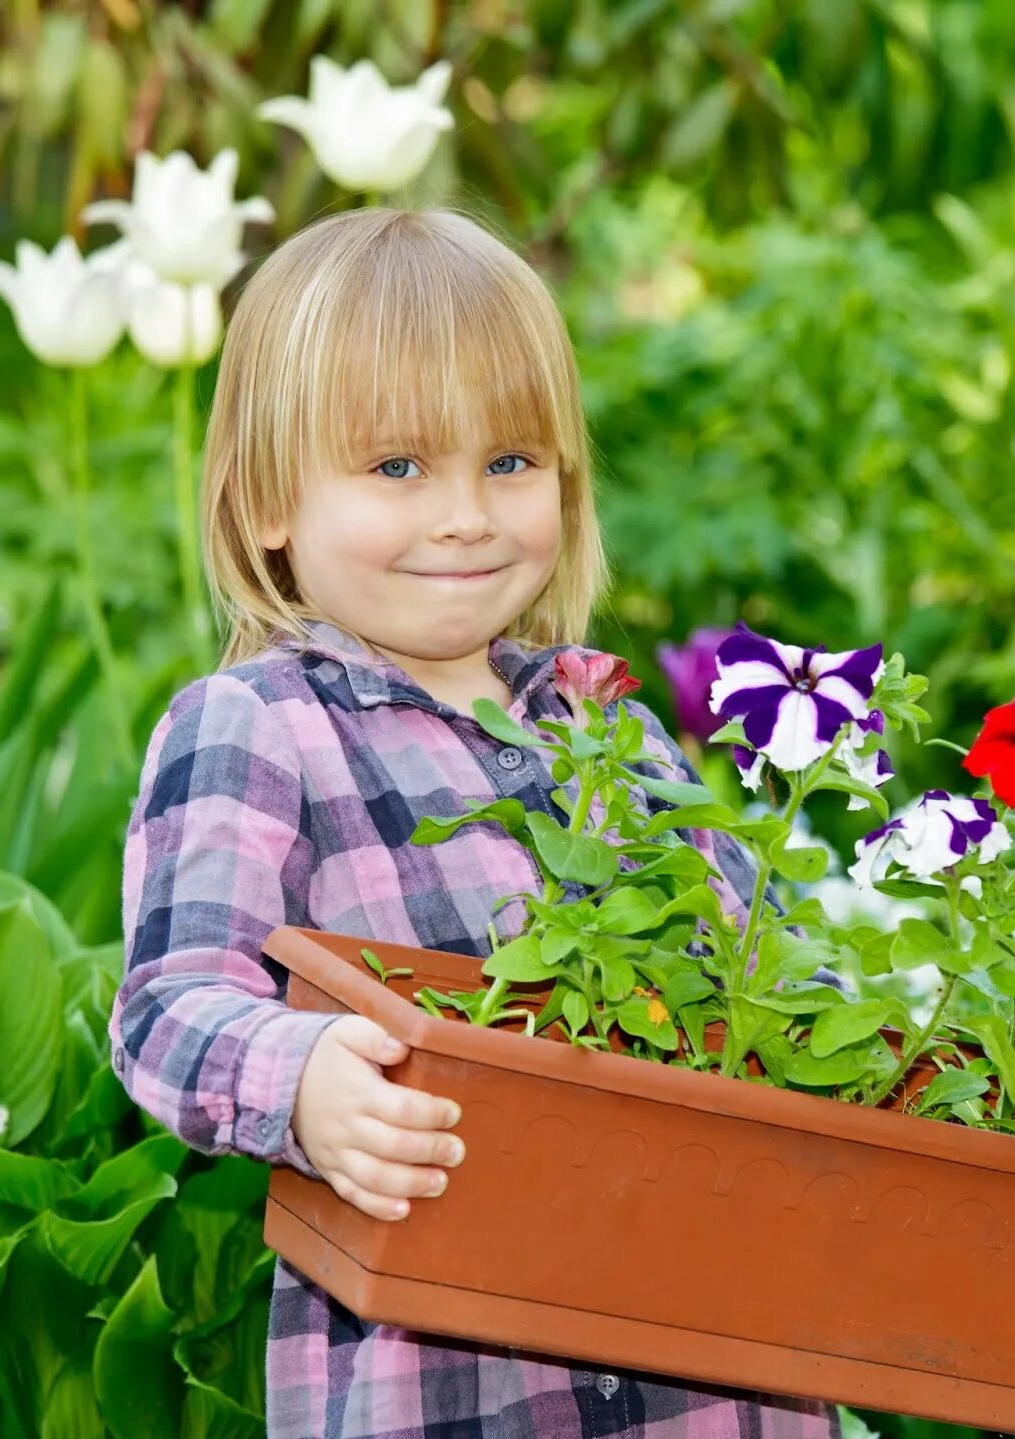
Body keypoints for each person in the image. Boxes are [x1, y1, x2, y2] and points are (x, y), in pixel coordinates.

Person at [110, 206, 842, 1439]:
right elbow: (166, 1007)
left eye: (510, 463)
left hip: (713, 1376)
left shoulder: (612, 725)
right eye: (397, 468)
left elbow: (761, 975)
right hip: (454, 1387)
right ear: (268, 502)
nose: (464, 514)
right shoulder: (257, 725)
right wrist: (304, 1081)